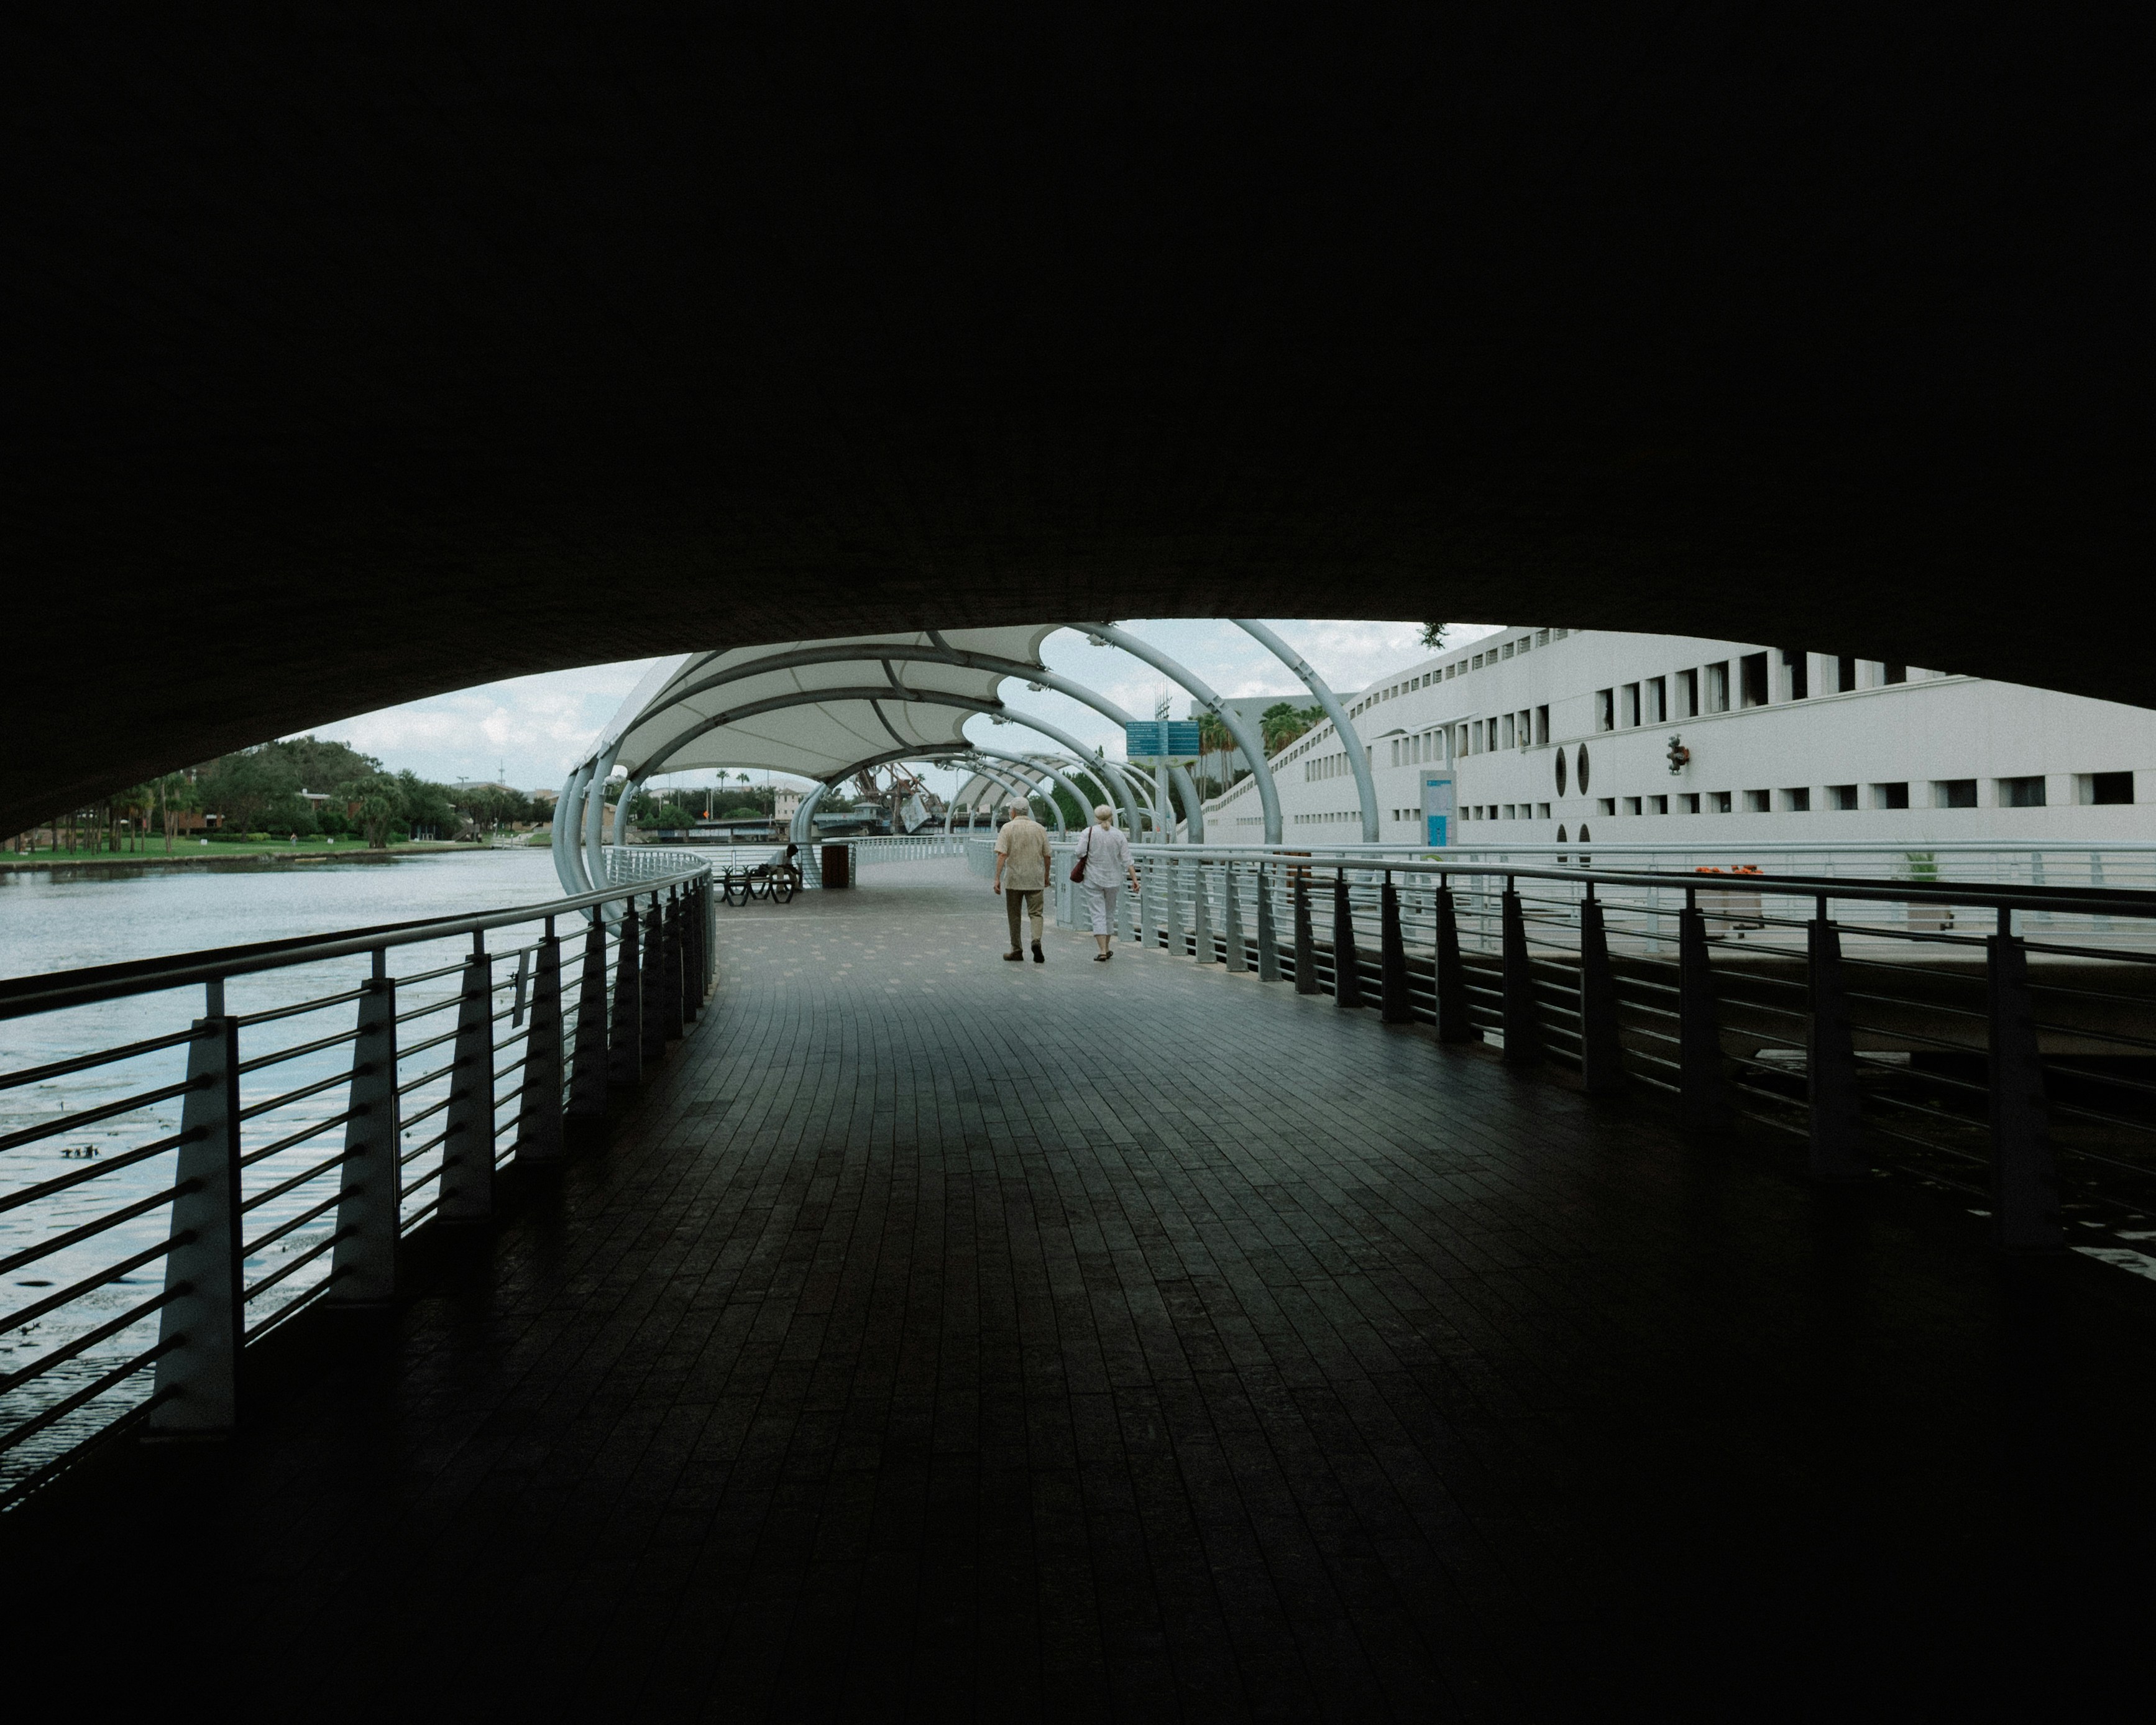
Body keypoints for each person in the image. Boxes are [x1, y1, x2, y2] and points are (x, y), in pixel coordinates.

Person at [1075, 804, 1140, 962]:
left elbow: (1079, 853)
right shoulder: (1119, 835)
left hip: (1093, 879)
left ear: (1096, 818)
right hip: (1113, 880)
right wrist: (1135, 880)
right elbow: (1127, 860)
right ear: (1111, 817)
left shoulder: (1088, 833)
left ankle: (1102, 950)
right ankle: (1108, 947)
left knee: (1098, 914)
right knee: (1109, 914)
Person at [992, 798, 1052, 963]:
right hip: (1035, 878)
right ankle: (1036, 940)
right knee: (1036, 913)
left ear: (1012, 812)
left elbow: (1002, 854)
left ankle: (1017, 950)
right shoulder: (1039, 829)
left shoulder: (1007, 828)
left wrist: (997, 878)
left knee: (1014, 915)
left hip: (1014, 879)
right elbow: (1047, 855)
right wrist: (1046, 876)